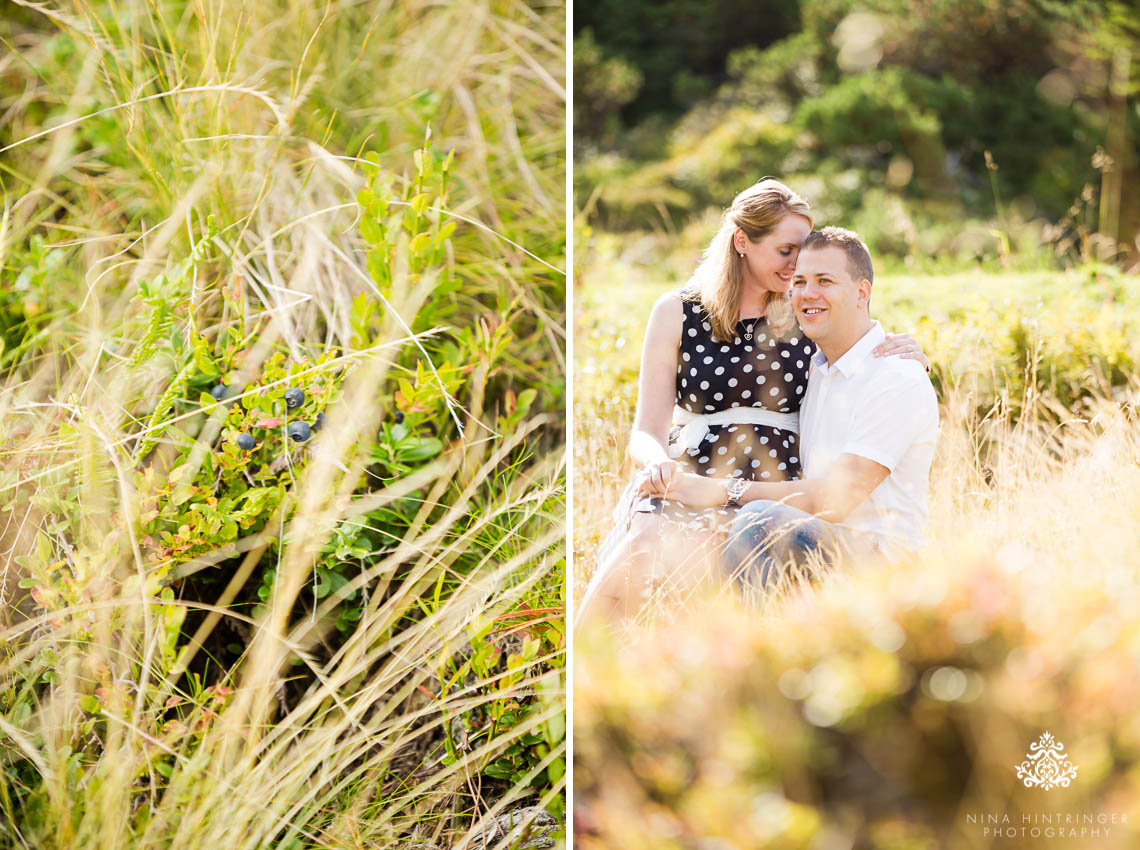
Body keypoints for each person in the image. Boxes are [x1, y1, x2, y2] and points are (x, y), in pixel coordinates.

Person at [576, 180, 929, 627]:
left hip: (773, 480)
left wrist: (912, 355)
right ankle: (579, 676)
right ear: (742, 241)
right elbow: (646, 427)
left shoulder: (802, 312)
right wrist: (656, 465)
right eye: (787, 251)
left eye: (803, 254)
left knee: (708, 574)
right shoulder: (677, 312)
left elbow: (858, 343)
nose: (796, 266)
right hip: (686, 468)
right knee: (642, 548)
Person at [663, 226, 940, 600]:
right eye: (800, 281)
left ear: (862, 293)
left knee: (761, 522)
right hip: (815, 541)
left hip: (879, 563)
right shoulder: (814, 369)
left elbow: (834, 500)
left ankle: (755, 652)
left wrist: (722, 491)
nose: (809, 294)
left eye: (825, 281)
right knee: (702, 537)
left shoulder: (894, 377)